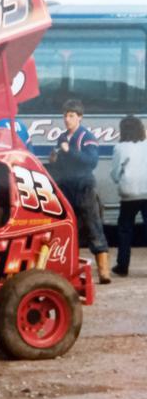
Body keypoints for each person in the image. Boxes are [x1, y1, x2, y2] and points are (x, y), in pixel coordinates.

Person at [49, 99, 111, 284]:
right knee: (68, 228)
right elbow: (62, 164)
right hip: (66, 187)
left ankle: (104, 272)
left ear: (80, 118)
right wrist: (55, 161)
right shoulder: (61, 138)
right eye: (65, 116)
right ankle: (71, 270)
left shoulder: (87, 137)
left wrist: (69, 152)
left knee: (93, 226)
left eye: (71, 116)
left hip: (84, 186)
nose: (67, 119)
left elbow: (91, 161)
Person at [110, 116, 147, 276]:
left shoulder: (120, 147)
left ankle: (122, 266)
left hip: (129, 193)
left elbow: (115, 172)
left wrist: (118, 180)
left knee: (125, 230)